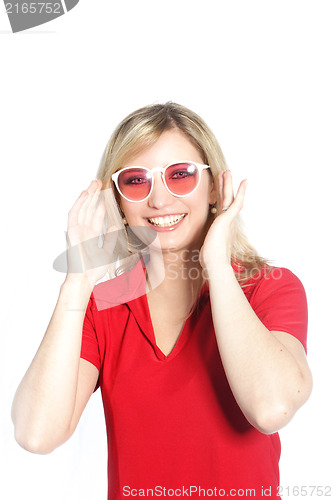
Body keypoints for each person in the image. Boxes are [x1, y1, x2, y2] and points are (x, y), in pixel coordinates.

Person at [11, 102, 312, 499]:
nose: (159, 200)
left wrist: (217, 264)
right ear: (116, 201)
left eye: (181, 175)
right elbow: (36, 433)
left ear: (213, 189)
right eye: (136, 181)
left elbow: (272, 407)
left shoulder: (268, 288)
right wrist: (77, 280)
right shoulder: (103, 306)